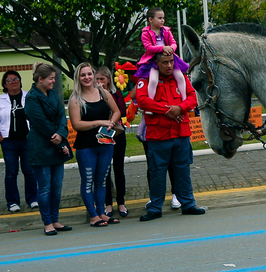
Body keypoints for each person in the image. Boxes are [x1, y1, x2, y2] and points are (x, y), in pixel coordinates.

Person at [136, 52, 206, 220]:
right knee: (157, 173)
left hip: (180, 134)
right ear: (156, 63)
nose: (169, 65)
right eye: (165, 62)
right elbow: (142, 100)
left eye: (171, 62)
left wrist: (180, 108)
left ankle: (188, 204)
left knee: (183, 170)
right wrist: (169, 110)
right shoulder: (146, 79)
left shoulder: (180, 78)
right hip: (158, 136)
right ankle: (155, 208)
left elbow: (193, 97)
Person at [68, 62, 121, 227]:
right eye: (83, 75)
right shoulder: (75, 99)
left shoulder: (103, 93)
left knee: (101, 181)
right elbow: (76, 124)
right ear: (78, 78)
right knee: (88, 181)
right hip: (86, 147)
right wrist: (99, 122)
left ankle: (102, 213)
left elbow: (117, 111)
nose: (87, 77)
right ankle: (93, 216)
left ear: (93, 75)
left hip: (105, 144)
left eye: (89, 74)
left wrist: (111, 122)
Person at [25, 63, 72, 236]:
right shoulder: (32, 97)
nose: (53, 81)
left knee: (57, 186)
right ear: (40, 79)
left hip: (56, 143)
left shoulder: (53, 94)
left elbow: (61, 115)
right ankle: (47, 222)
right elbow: (40, 123)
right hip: (41, 146)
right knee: (44, 187)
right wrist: (58, 140)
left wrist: (61, 134)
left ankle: (55, 219)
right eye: (51, 78)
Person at [0, 70, 38, 213]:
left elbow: (36, 116)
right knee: (11, 172)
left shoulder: (29, 97)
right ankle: (13, 202)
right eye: (10, 80)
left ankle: (33, 198)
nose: (14, 82)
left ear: (20, 81)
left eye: (16, 79)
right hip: (9, 142)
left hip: (27, 140)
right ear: (4, 84)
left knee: (29, 171)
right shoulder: (0, 100)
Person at [97, 67, 130, 218]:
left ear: (109, 79)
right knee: (105, 170)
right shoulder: (94, 94)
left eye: (102, 79)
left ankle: (121, 202)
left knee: (118, 168)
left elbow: (122, 111)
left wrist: (107, 95)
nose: (99, 82)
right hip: (102, 133)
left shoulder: (115, 93)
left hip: (116, 133)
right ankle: (108, 203)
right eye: (97, 79)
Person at [135, 8, 188, 98]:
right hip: (153, 60)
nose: (162, 20)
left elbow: (173, 43)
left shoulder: (166, 30)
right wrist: (163, 48)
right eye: (159, 18)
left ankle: (184, 99)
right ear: (150, 19)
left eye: (163, 18)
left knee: (180, 77)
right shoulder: (145, 33)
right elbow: (148, 48)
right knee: (153, 80)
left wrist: (171, 49)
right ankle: (150, 102)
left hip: (169, 57)